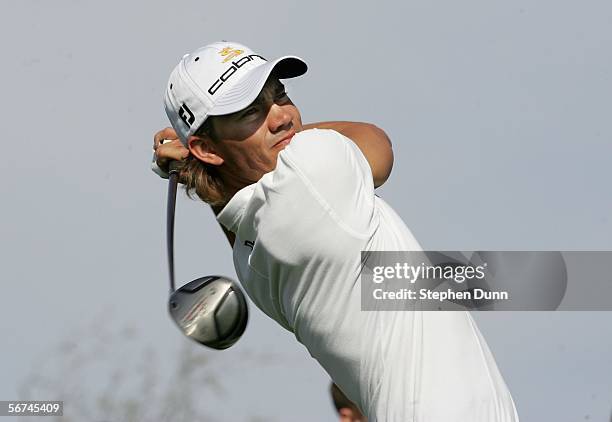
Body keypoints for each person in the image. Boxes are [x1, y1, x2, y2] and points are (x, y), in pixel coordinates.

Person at [152, 41, 520, 421]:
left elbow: (237, 208)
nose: (282, 118)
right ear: (206, 149)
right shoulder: (314, 167)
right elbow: (377, 142)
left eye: (280, 95)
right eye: (250, 112)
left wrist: (202, 167)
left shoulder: (249, 261)